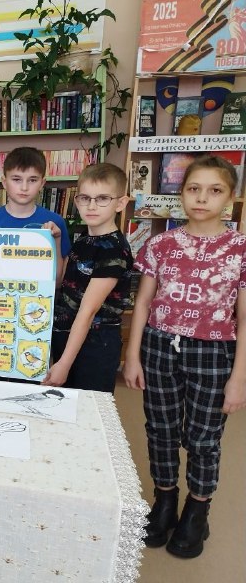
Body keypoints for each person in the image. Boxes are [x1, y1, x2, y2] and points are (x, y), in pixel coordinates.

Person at [123, 155, 246, 559]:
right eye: (194, 189)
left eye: (215, 190)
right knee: (160, 429)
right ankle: (164, 499)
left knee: (203, 437)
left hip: (214, 352)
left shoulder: (240, 249)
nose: (202, 198)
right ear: (182, 194)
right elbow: (143, 303)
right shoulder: (161, 244)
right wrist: (133, 355)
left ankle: (197, 509)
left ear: (231, 197)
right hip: (160, 347)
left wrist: (239, 377)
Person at [43, 163, 132, 392]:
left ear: (120, 203)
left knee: (88, 405)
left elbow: (88, 311)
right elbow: (61, 281)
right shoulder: (84, 239)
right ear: (77, 201)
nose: (91, 206)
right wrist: (56, 240)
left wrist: (64, 364)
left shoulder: (113, 250)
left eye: (102, 198)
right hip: (68, 335)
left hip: (96, 343)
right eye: (85, 198)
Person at [0, 147, 70, 282]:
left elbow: (57, 281)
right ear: (4, 182)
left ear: (42, 183)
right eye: (16, 179)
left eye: (32, 180)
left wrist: (56, 239)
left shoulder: (55, 223)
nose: (24, 187)